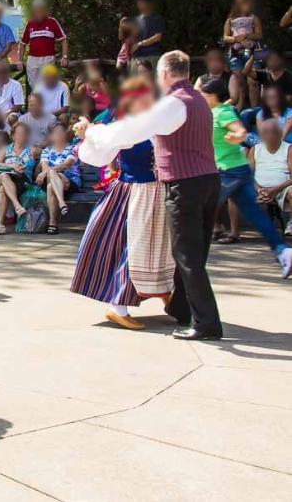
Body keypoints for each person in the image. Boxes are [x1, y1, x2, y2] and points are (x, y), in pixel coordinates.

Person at [77, 51, 234, 340]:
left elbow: (128, 133)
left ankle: (204, 322)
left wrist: (92, 131)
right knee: (188, 255)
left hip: (183, 184)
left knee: (186, 257)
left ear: (163, 74)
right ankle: (185, 310)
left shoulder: (172, 104)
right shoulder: (198, 98)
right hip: (206, 182)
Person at [71, 78, 174, 330]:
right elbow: (99, 152)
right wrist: (88, 133)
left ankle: (165, 292)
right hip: (134, 194)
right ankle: (118, 306)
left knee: (163, 247)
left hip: (159, 193)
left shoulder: (159, 125)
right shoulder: (127, 128)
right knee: (131, 249)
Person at [199, 78, 291, 267]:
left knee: (199, 210)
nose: (201, 97)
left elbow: (240, 131)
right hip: (237, 170)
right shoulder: (210, 113)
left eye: (204, 94)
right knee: (255, 214)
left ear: (214, 96)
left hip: (228, 172)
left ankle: (189, 259)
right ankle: (283, 252)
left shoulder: (222, 112)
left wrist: (237, 137)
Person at [249, 119, 292, 235]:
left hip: (282, 189)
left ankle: (291, 223)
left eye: (273, 132)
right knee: (235, 192)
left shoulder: (289, 149)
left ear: (279, 133)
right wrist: (259, 190)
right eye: (265, 132)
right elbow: (248, 175)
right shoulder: (255, 149)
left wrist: (275, 189)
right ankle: (234, 232)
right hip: (259, 189)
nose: (269, 135)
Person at [36, 123, 80, 234]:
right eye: (56, 133)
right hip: (53, 182)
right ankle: (61, 204)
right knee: (51, 185)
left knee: (52, 174)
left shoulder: (73, 149)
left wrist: (45, 173)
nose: (59, 135)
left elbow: (65, 165)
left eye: (61, 132)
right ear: (50, 136)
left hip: (70, 182)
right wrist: (48, 171)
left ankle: (53, 222)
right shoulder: (46, 150)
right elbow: (44, 165)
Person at [0, 122, 34, 235]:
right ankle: (17, 205)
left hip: (21, 181)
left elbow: (30, 166)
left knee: (3, 190)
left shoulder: (31, 151)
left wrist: (22, 168)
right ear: (13, 135)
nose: (21, 136)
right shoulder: (5, 149)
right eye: (19, 133)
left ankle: (1, 224)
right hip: (2, 177)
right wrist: (11, 166)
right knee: (3, 175)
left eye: (24, 134)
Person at [19, 0, 68, 88]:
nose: (38, 12)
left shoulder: (52, 21)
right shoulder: (30, 23)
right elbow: (22, 43)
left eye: (40, 9)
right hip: (32, 60)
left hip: (48, 59)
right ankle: (35, 100)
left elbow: (63, 39)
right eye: (36, 10)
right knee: (34, 87)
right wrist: (20, 60)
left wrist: (64, 57)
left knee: (47, 85)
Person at [242, 52, 292, 133]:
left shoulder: (289, 78)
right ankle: (247, 140)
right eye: (270, 60)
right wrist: (253, 58)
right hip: (265, 109)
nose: (272, 62)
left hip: (283, 110)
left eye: (275, 60)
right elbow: (245, 72)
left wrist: (272, 105)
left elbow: (288, 100)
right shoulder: (265, 74)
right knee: (245, 114)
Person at [223, 0, 263, 74]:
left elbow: (259, 35)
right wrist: (235, 39)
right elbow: (225, 37)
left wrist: (246, 35)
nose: (248, 5)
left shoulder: (254, 18)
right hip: (236, 53)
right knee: (237, 77)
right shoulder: (230, 20)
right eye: (244, 3)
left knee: (253, 80)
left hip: (251, 53)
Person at [129, 0, 166, 69]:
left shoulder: (157, 18)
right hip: (136, 58)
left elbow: (157, 37)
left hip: (152, 56)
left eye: (142, 3)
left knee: (151, 81)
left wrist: (140, 44)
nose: (140, 5)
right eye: (139, 3)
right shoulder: (136, 20)